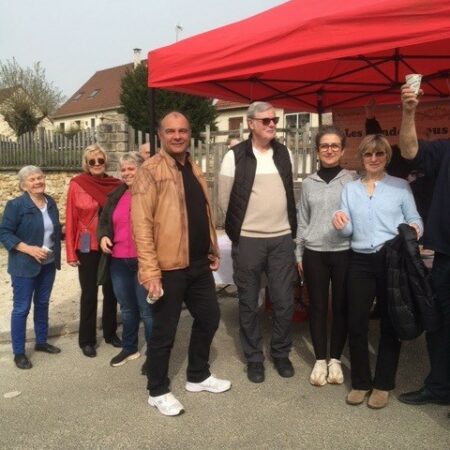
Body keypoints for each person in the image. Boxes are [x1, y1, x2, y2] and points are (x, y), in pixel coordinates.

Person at [131, 111, 231, 417]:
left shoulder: (193, 166)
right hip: (168, 267)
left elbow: (201, 211)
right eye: (171, 131)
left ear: (190, 134)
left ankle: (197, 375)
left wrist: (212, 247)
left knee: (209, 318)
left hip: (198, 264)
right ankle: (157, 390)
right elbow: (141, 225)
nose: (177, 136)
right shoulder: (149, 171)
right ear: (160, 135)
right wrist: (150, 272)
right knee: (164, 332)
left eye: (183, 131)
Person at [333, 134, 422, 409]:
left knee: (390, 323)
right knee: (357, 323)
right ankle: (361, 382)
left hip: (391, 258)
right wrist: (340, 224)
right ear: (361, 158)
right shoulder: (350, 189)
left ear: (386, 157)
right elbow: (347, 229)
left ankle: (383, 384)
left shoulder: (400, 186)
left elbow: (414, 218)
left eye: (379, 154)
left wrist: (415, 229)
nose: (374, 159)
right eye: (368, 154)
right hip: (359, 260)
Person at [219, 101, 297, 383]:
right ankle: (254, 358)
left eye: (274, 120)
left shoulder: (284, 153)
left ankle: (280, 353)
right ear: (250, 123)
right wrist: (239, 234)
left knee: (284, 301)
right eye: (265, 120)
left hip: (281, 239)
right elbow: (224, 200)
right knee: (249, 303)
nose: (272, 124)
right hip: (249, 240)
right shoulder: (234, 156)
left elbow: (289, 192)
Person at [397, 84, 450, 408]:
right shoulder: (445, 150)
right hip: (445, 257)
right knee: (438, 325)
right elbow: (409, 151)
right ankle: (440, 387)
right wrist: (409, 111)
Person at [296, 125, 354, 386]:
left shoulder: (352, 181)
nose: (329, 150)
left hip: (344, 252)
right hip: (315, 253)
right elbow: (303, 220)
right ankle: (320, 359)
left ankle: (335, 359)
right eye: (324, 146)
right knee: (318, 307)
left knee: (341, 307)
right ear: (317, 150)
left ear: (342, 150)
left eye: (334, 146)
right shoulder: (308, 183)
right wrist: (299, 252)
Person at [0, 166, 62, 369]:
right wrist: (29, 249)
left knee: (42, 303)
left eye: (39, 178)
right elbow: (4, 233)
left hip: (48, 263)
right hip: (24, 265)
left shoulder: (50, 202)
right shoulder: (16, 205)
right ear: (23, 185)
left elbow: (54, 230)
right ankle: (19, 352)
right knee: (22, 308)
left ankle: (41, 342)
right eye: (32, 180)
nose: (37, 182)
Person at [97, 152, 153, 374]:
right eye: (123, 169)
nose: (127, 173)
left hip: (143, 260)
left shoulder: (150, 192)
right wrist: (103, 236)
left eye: (131, 168)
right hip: (119, 260)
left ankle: (154, 355)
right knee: (128, 309)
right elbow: (104, 221)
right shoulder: (116, 194)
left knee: (147, 310)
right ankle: (130, 348)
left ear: (141, 169)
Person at [65, 144, 122, 358]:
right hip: (86, 244)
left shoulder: (116, 185)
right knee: (89, 292)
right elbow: (70, 219)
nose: (97, 164)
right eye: (92, 161)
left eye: (100, 160)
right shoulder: (77, 184)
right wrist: (70, 252)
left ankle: (110, 333)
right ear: (86, 164)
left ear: (105, 162)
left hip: (111, 243)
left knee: (111, 291)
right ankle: (87, 340)